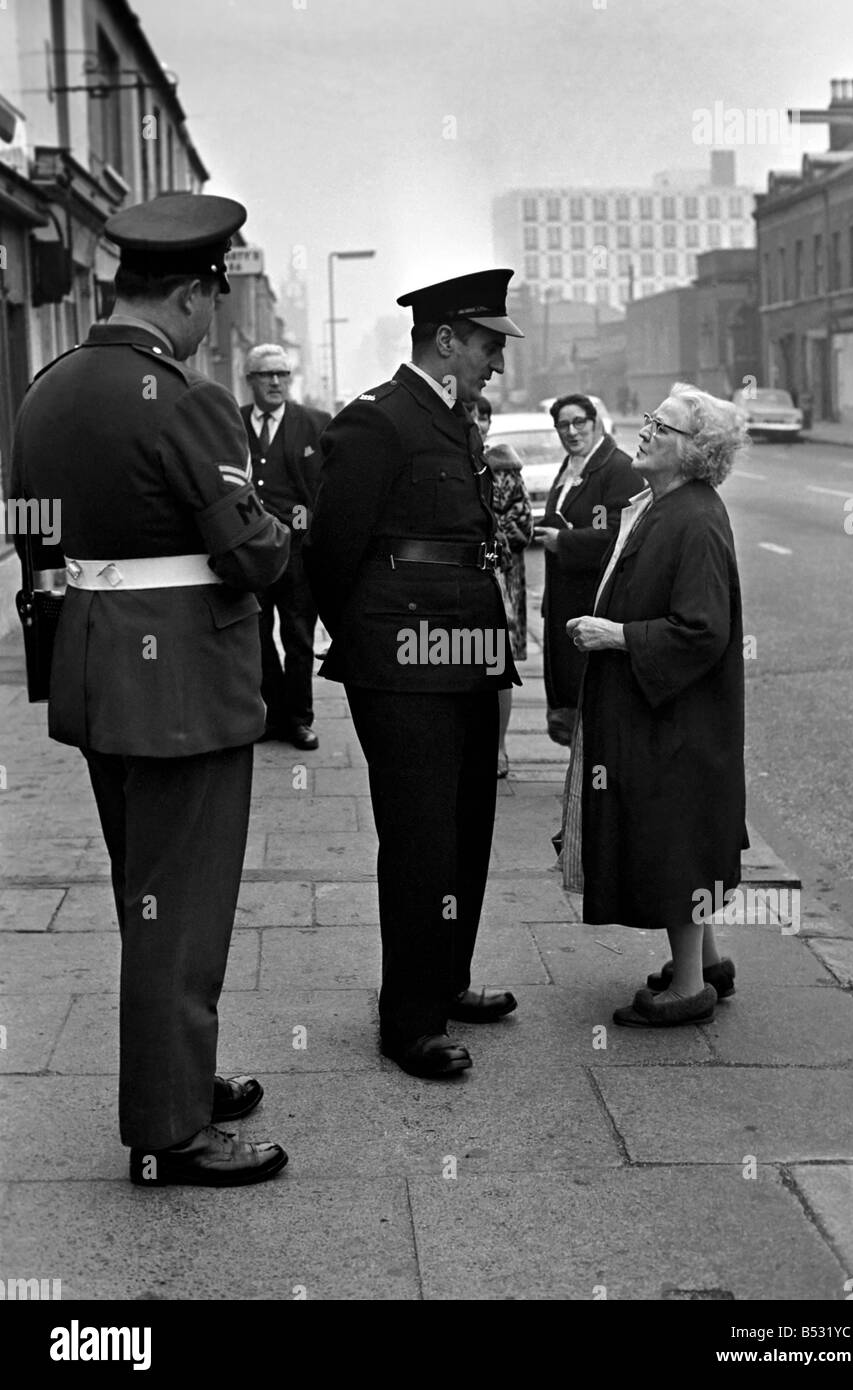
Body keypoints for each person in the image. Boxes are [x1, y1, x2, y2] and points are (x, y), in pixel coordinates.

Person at [9, 193, 292, 1184]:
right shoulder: (185, 400)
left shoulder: (46, 390)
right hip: (185, 690)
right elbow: (253, 555)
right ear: (196, 291)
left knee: (148, 897)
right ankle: (170, 1132)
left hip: (96, 680)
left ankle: (184, 1071)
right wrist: (285, 525)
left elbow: (33, 543)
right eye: (215, 300)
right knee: (186, 903)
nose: (214, 322)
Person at [304, 269, 524, 1080]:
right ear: (445, 340)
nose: (495, 361)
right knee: (420, 838)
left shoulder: (458, 422)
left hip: (468, 649)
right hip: (402, 664)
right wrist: (372, 647)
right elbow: (330, 553)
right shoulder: (377, 422)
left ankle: (447, 979)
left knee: (468, 826)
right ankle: (409, 1022)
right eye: (487, 344)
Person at [562, 382, 749, 1027]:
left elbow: (703, 630)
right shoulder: (671, 504)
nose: (645, 431)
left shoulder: (693, 516)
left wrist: (615, 634)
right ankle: (710, 963)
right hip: (663, 711)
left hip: (675, 720)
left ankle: (688, 990)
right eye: (649, 420)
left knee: (673, 839)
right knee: (683, 835)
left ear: (693, 452)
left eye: (661, 427)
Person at [533, 394, 644, 747]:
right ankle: (583, 784)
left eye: (579, 422)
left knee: (594, 705)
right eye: (563, 425)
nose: (571, 431)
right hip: (566, 602)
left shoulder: (618, 468)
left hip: (594, 603)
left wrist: (563, 542)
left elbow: (617, 534)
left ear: (595, 422)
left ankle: (597, 787)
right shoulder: (572, 466)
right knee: (573, 705)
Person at [241, 343, 329, 750]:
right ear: (250, 381)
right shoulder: (234, 423)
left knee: (298, 639)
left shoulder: (314, 424)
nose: (275, 382)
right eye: (265, 375)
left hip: (296, 554)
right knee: (255, 637)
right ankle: (273, 715)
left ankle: (299, 720)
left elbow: (326, 490)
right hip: (251, 553)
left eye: (281, 374)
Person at [474, 395, 532, 777]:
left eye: (482, 418)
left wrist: (486, 536)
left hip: (498, 578)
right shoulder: (447, 459)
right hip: (458, 579)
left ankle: (498, 748)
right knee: (460, 659)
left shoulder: (504, 468)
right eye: (468, 415)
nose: (476, 423)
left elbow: (523, 525)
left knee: (496, 667)